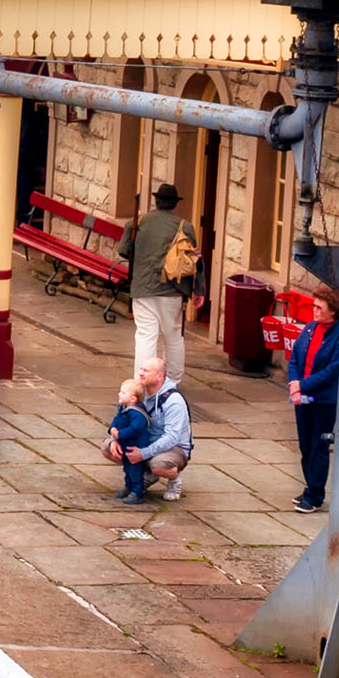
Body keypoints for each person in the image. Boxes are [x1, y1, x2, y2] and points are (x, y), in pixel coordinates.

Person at [116, 182, 205, 385]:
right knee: (173, 337)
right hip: (173, 289)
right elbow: (196, 260)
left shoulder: (137, 223)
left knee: (146, 336)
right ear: (174, 204)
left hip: (142, 288)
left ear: (156, 202)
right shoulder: (185, 226)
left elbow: (124, 251)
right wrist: (199, 290)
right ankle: (172, 382)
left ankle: (142, 381)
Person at [102, 356, 192, 501]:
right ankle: (144, 475)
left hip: (174, 447)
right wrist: (115, 439)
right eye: (141, 369)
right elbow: (123, 417)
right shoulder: (139, 392)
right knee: (108, 448)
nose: (141, 373)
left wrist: (143, 453)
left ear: (159, 376)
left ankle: (173, 478)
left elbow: (172, 437)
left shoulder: (174, 401)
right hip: (144, 439)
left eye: (146, 371)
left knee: (157, 465)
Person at [287, 284, 339, 514]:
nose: (314, 309)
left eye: (320, 307)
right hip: (302, 398)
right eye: (314, 305)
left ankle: (315, 495)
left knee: (318, 446)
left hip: (323, 401)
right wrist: (294, 386)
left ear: (333, 311)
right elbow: (295, 360)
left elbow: (332, 370)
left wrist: (303, 385)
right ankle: (310, 485)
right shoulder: (309, 329)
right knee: (305, 445)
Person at [109, 378, 154, 504]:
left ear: (133, 399)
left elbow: (136, 429)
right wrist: (112, 428)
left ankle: (137, 492)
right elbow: (116, 420)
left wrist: (119, 434)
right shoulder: (123, 408)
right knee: (127, 469)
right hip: (126, 445)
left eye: (123, 393)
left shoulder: (136, 414)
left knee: (135, 471)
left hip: (136, 446)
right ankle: (128, 488)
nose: (119, 394)